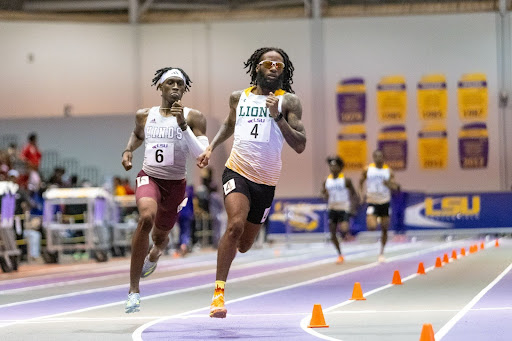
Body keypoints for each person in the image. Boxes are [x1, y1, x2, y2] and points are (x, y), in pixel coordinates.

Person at [197, 47, 306, 318]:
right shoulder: (238, 97)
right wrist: (211, 147)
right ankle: (218, 296)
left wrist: (278, 118)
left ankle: (230, 266)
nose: (273, 68)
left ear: (284, 71)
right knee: (234, 225)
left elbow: (301, 145)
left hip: (266, 181)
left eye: (279, 65)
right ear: (257, 67)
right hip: (237, 171)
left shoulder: (288, 102)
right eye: (268, 63)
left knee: (244, 244)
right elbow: (229, 124)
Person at [121, 67, 208, 313]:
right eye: (170, 82)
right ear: (160, 86)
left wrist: (182, 124)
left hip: (175, 184)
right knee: (146, 217)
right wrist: (128, 150)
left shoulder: (194, 117)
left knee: (160, 237)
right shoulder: (145, 115)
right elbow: (137, 135)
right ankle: (133, 290)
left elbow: (200, 154)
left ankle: (156, 252)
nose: (176, 87)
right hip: (149, 176)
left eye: (180, 84)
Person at [359, 149, 399, 262]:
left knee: (385, 229)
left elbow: (395, 187)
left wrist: (389, 184)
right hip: (372, 201)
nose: (379, 158)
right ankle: (376, 218)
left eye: (381, 156)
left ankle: (381, 252)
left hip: (385, 202)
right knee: (371, 227)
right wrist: (361, 195)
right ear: (373, 157)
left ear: (383, 158)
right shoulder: (367, 170)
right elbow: (360, 182)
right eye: (376, 156)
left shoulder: (388, 171)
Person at [321, 156, 357, 264]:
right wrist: (324, 195)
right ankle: (340, 254)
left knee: (344, 229)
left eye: (335, 166)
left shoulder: (346, 180)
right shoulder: (327, 180)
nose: (333, 168)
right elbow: (324, 194)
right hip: (332, 208)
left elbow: (354, 194)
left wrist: (353, 207)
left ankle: (347, 235)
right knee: (332, 234)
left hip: (344, 207)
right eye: (331, 166)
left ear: (340, 167)